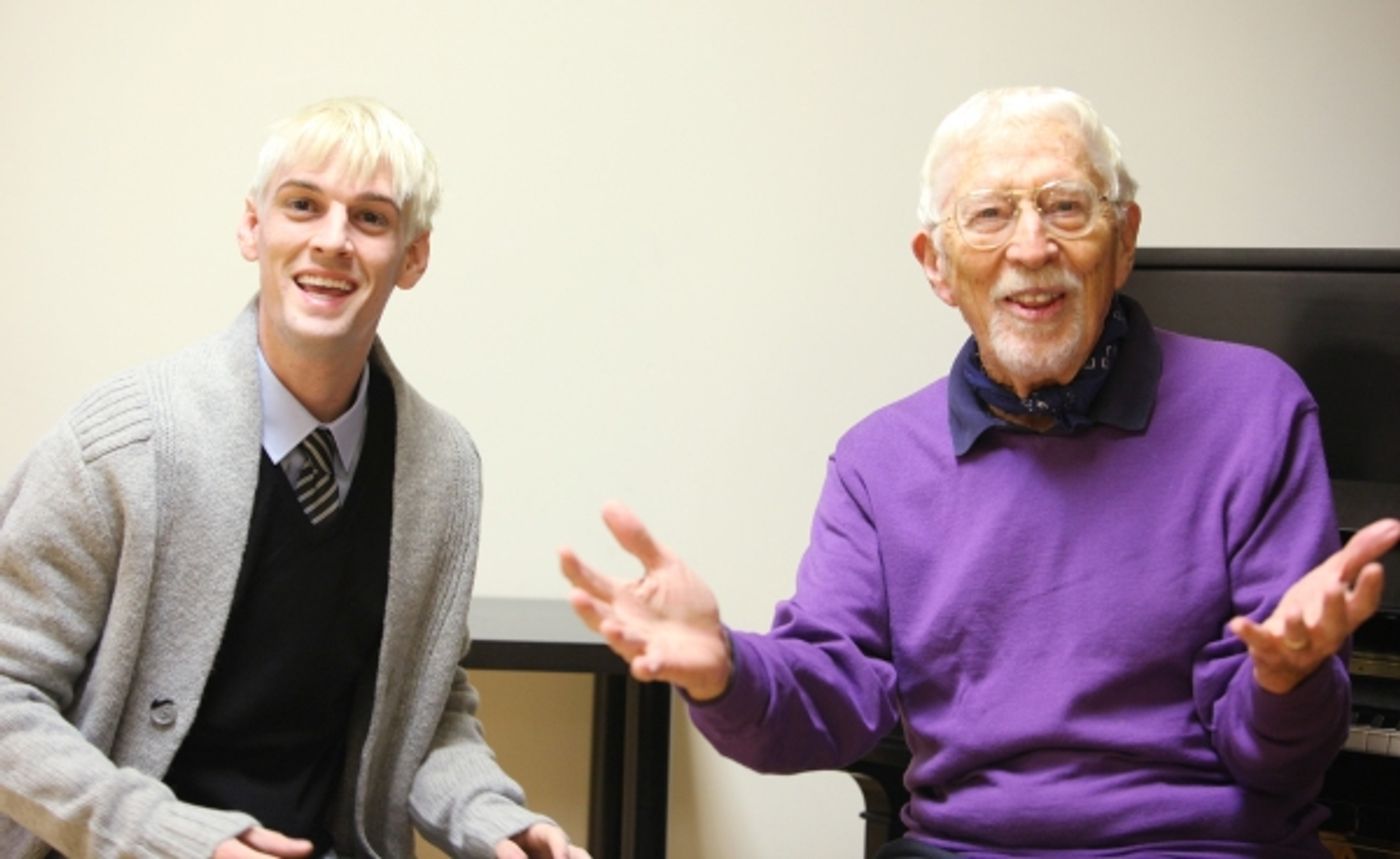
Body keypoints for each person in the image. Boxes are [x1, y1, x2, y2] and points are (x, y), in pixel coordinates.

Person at [558, 86, 1400, 857]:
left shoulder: (1253, 406)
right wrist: (724, 670)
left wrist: (1284, 676)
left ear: (1124, 240)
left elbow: (1279, 755)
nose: (1031, 247)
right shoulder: (878, 460)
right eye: (990, 214)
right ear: (935, 262)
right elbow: (830, 696)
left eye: (1065, 207)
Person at [0, 98, 586, 859]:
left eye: (372, 218)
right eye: (303, 205)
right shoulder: (121, 442)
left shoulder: (443, 469)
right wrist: (176, 840)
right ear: (253, 228)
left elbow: (425, 706)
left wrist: (493, 818)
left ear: (412, 257)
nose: (333, 241)